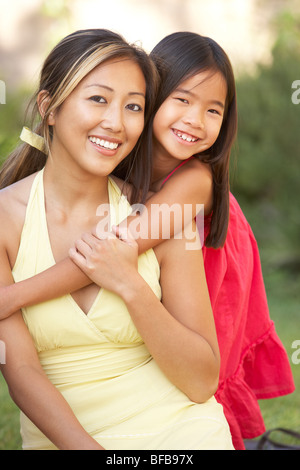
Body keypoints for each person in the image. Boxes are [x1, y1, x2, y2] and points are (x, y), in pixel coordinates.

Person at [0, 31, 294, 449]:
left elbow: (113, 255)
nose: (116, 121)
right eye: (98, 99)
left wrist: (15, 296)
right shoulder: (11, 219)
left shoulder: (181, 198)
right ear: (49, 108)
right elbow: (22, 371)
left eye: (132, 106)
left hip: (190, 383)